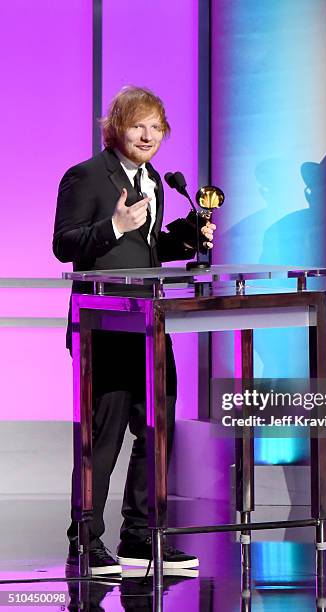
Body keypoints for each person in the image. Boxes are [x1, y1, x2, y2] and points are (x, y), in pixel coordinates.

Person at [53, 86, 215, 575]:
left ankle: (142, 537)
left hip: (149, 324)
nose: (147, 136)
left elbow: (148, 253)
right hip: (102, 326)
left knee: (156, 431)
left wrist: (188, 235)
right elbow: (64, 245)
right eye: (137, 125)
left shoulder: (155, 182)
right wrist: (114, 225)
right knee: (102, 438)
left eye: (156, 128)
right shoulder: (86, 176)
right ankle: (85, 540)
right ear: (115, 129)